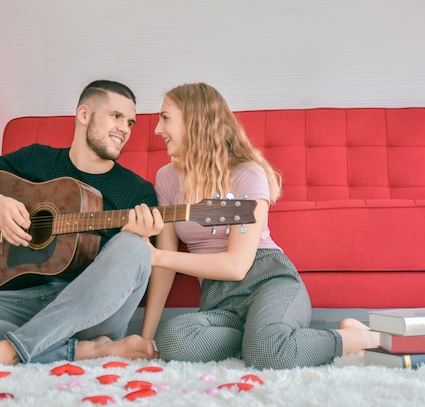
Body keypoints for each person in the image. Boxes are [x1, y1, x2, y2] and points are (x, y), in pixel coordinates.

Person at [0, 80, 164, 371]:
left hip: (91, 313)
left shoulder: (137, 192)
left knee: (134, 248)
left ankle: (4, 353)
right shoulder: (36, 159)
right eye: (116, 116)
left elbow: (137, 269)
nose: (125, 128)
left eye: (131, 122)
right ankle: (83, 353)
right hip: (27, 304)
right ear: (84, 115)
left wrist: (139, 242)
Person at [141, 82, 380, 370]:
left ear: (194, 120)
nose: (157, 129)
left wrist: (155, 255)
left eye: (165, 117)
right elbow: (163, 268)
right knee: (173, 338)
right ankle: (263, 338)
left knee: (268, 353)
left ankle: (354, 337)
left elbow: (237, 265)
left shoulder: (247, 174)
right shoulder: (166, 178)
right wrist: (146, 337)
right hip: (219, 300)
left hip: (268, 279)